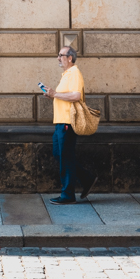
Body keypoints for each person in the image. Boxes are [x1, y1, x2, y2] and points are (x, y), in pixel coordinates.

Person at [44, 45, 97, 205]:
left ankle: (68, 195)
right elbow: (66, 95)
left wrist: (55, 94)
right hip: (60, 121)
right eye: (58, 55)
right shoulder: (67, 74)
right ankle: (87, 178)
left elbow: (76, 95)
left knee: (65, 157)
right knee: (59, 154)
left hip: (67, 122)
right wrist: (53, 96)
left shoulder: (74, 73)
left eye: (61, 55)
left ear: (70, 58)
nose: (58, 58)